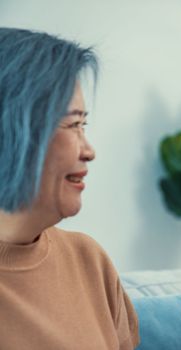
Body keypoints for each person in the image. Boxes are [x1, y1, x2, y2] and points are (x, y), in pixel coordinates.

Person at [0, 28, 139, 349]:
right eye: (73, 124)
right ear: (14, 128)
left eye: (84, 125)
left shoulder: (89, 260)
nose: (88, 150)